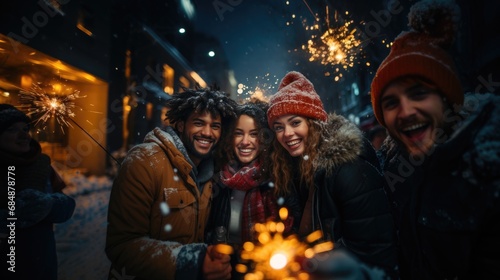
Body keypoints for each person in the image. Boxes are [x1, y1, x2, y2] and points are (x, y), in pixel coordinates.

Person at [370, 0, 500, 278]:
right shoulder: (390, 169)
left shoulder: (488, 170)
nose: (405, 112)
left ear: (446, 99)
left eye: (418, 94)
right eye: (391, 103)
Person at [266, 71, 398, 278]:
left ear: (313, 122)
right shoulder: (294, 168)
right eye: (278, 127)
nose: (287, 133)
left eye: (295, 122)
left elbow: (375, 250)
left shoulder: (348, 167)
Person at [105, 86, 238, 280]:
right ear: (181, 125)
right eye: (199, 123)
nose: (207, 132)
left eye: (215, 126)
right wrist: (191, 261)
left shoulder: (212, 172)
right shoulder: (144, 162)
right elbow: (122, 245)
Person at [205, 101, 295, 279]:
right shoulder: (218, 177)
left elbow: (295, 231)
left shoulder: (280, 175)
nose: (245, 142)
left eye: (254, 134)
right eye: (239, 134)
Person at [0, 104, 75, 280]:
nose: (23, 136)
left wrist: (49, 204)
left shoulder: (41, 166)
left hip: (41, 267)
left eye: (25, 129)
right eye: (12, 130)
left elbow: (67, 205)